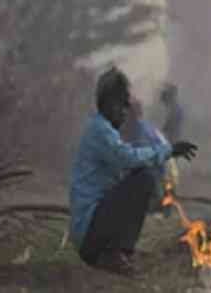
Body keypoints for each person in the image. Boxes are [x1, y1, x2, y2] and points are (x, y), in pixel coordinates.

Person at [69, 67, 198, 276]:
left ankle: (118, 253)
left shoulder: (104, 129)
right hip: (88, 235)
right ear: (112, 104)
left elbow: (130, 159)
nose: (125, 112)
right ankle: (114, 254)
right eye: (123, 106)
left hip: (91, 231)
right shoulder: (101, 131)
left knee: (142, 178)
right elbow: (129, 158)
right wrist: (169, 150)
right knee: (143, 179)